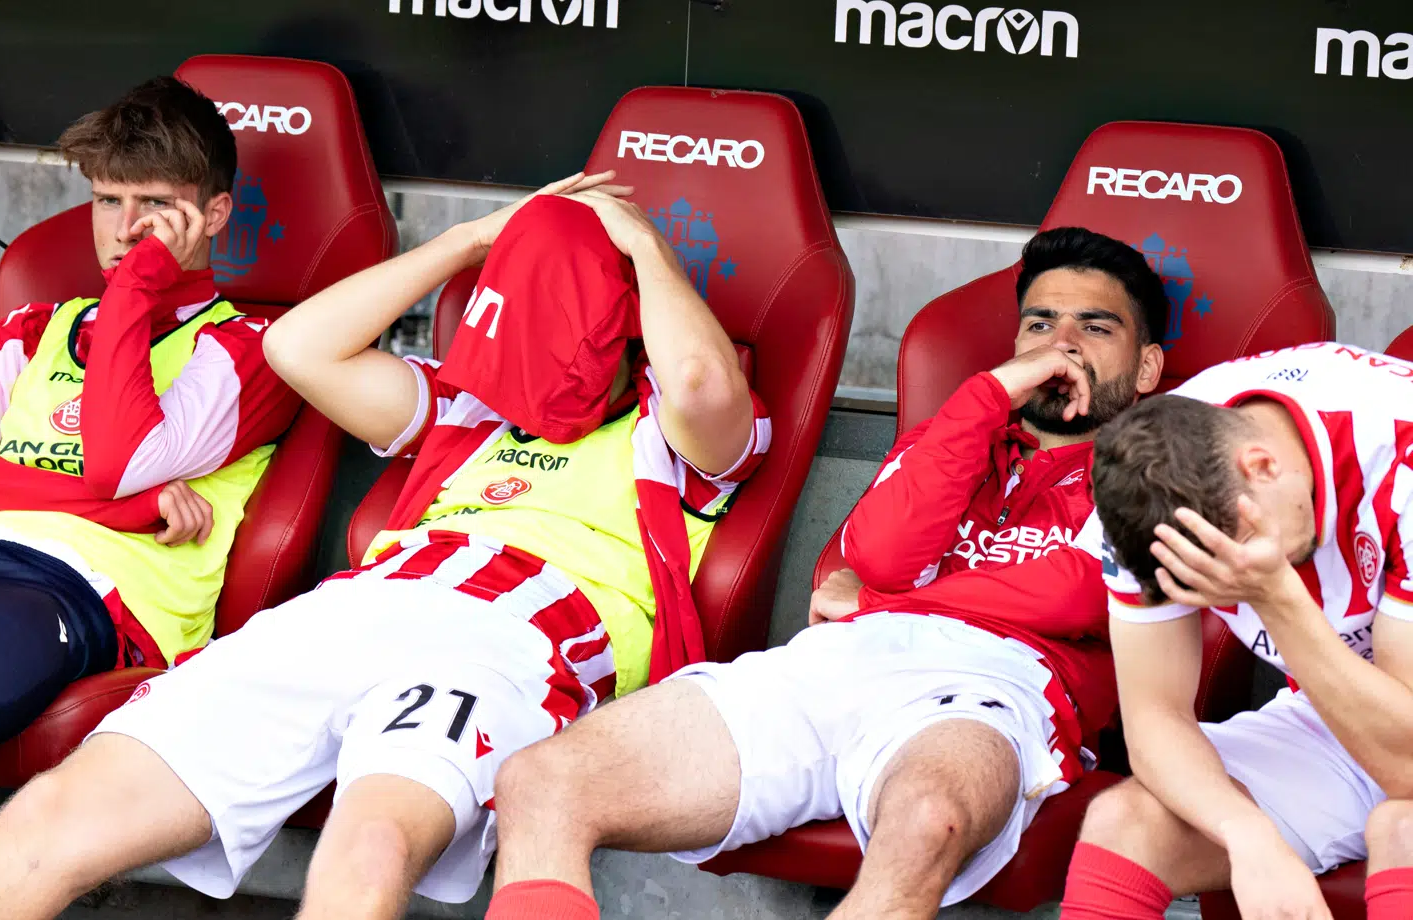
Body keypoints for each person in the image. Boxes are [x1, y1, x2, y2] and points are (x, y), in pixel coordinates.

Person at [0, 173, 770, 920]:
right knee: (53, 812)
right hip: (354, 606)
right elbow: (299, 346)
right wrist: (473, 240)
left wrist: (641, 246)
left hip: (517, 638)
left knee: (369, 844)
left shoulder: (671, 432)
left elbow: (701, 381)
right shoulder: (468, 408)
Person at [483, 226, 1169, 920]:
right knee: (542, 780)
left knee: (929, 818)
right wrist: (987, 397)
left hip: (995, 686)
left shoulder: (1161, 468)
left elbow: (1083, 593)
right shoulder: (955, 436)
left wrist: (877, 600)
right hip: (842, 658)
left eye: (1095, 326)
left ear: (1146, 368)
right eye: (1040, 324)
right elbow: (881, 555)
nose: (1061, 344)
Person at [0, 77, 298, 758]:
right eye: (107, 201)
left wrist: (135, 288)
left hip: (81, 592)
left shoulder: (250, 352)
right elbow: (119, 489)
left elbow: (119, 461)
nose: (125, 230)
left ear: (213, 217)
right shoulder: (35, 329)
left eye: (154, 205)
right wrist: (124, 507)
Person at [1060, 342, 1413, 920]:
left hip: (1401, 732)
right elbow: (1155, 719)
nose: (1225, 588)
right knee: (1125, 823)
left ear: (1264, 466)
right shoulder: (1145, 484)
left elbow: (1406, 769)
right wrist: (1248, 835)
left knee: (1404, 830)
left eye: (1234, 562)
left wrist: (1275, 596)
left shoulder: (1400, 453)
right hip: (1342, 709)